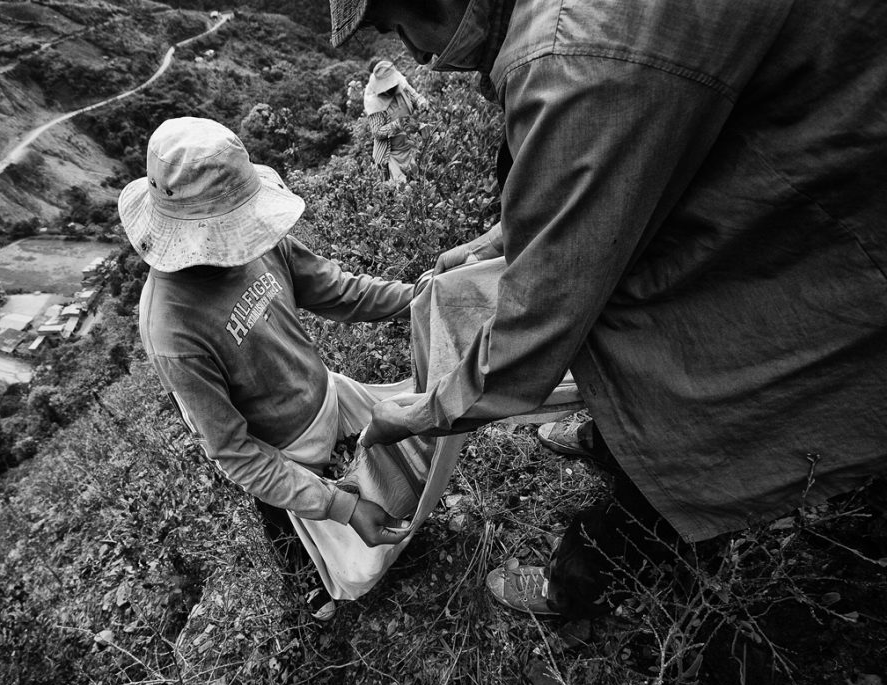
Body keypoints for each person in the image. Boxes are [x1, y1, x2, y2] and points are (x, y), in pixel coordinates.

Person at [326, 0, 887, 618]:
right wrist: (506, 235)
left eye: (400, 22)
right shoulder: (565, 32)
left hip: (825, 237)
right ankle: (605, 437)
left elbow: (539, 322)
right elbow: (619, 167)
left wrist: (426, 414)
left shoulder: (569, 60)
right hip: (784, 177)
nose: (422, 55)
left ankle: (579, 581)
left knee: (680, 406)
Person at [118, 117, 412, 619]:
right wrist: (340, 505)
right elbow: (236, 452)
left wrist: (417, 297)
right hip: (284, 459)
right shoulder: (172, 329)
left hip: (324, 398)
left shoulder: (262, 240)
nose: (241, 244)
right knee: (309, 557)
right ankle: (312, 596)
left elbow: (337, 289)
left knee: (390, 496)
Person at [363, 58, 429, 181]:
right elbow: (377, 132)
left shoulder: (400, 85)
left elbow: (415, 97)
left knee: (419, 186)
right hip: (392, 155)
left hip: (411, 147)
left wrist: (422, 103)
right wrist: (398, 124)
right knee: (402, 192)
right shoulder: (374, 102)